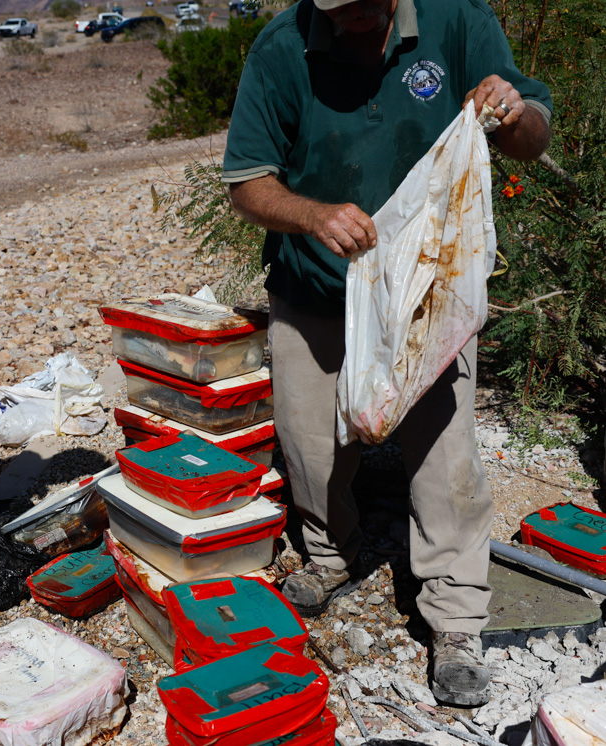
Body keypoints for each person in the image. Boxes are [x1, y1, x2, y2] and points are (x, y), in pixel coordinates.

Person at [223, 0, 551, 707]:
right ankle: (328, 553)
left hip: (429, 292)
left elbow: (531, 138)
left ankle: (455, 619)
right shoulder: (281, 47)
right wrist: (311, 215)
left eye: (364, 5)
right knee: (309, 446)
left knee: (445, 458)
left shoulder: (457, 22)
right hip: (315, 288)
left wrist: (511, 111)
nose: (349, 20)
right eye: (335, 9)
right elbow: (245, 182)